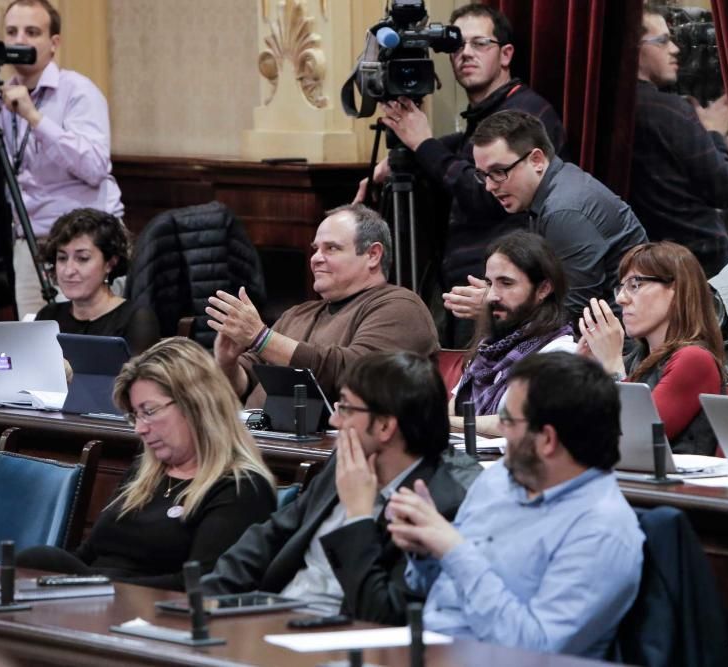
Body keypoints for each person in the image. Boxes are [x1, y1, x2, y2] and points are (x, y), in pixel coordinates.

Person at [387, 352, 644, 658]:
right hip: (425, 648)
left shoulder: (602, 531)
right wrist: (426, 550)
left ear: (547, 439)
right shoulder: (497, 481)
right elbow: (444, 592)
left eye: (508, 420)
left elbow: (533, 650)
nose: (501, 429)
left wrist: (454, 550)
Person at [202, 352, 482, 625]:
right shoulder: (346, 462)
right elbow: (273, 534)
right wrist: (202, 598)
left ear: (385, 426)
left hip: (342, 639)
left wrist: (357, 517)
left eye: (346, 408)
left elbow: (380, 617)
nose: (335, 421)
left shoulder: (443, 503)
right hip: (276, 618)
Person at [356, 3, 568, 348]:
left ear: (506, 54)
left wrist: (422, 143)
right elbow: (461, 154)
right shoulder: (484, 116)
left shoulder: (527, 113)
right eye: (457, 45)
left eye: (480, 43)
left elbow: (485, 193)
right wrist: (400, 158)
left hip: (500, 293)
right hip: (467, 285)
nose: (466, 53)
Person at [17, 337, 277, 590]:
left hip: (151, 616)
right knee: (36, 563)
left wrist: (99, 588)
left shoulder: (242, 487)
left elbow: (199, 586)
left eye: (149, 412)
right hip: (93, 601)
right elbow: (88, 553)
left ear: (195, 404)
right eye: (135, 415)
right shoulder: (146, 470)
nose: (140, 429)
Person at [0, 0, 124, 319]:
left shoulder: (78, 93)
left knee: (84, 346)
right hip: (30, 244)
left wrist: (34, 117)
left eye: (32, 32)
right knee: (39, 345)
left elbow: (95, 167)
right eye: (12, 32)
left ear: (53, 43)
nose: (20, 41)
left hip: (87, 245)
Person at [207, 203, 439, 404]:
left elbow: (356, 375)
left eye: (332, 248)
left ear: (373, 255)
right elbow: (245, 382)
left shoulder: (399, 307)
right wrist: (228, 363)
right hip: (262, 443)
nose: (316, 258)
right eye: (316, 249)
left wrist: (262, 339)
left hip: (338, 450)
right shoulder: (297, 314)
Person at [470, 110, 648, 319]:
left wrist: (496, 304)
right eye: (483, 175)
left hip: (622, 342)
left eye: (499, 171)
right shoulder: (556, 186)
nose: (489, 186)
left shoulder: (564, 211)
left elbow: (571, 313)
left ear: (536, 160)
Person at [577, 241, 725, 455]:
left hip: (677, 488)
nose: (620, 299)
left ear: (676, 289)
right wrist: (584, 369)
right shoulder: (637, 359)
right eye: (622, 286)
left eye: (635, 285)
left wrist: (611, 364)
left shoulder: (694, 359)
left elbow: (632, 441)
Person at [628, 3, 728, 277]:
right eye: (663, 40)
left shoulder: (606, 108)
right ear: (634, 47)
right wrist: (714, 131)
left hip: (645, 261)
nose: (675, 49)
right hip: (698, 263)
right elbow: (724, 189)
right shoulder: (669, 111)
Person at [450, 230, 575, 435]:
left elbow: (520, 423)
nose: (492, 296)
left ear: (543, 289)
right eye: (490, 283)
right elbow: (453, 406)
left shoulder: (561, 352)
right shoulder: (490, 346)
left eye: (506, 283)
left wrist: (446, 423)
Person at [35, 208, 158, 354]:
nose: (68, 271)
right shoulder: (49, 316)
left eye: (82, 259)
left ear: (110, 263)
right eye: (62, 258)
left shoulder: (137, 319)